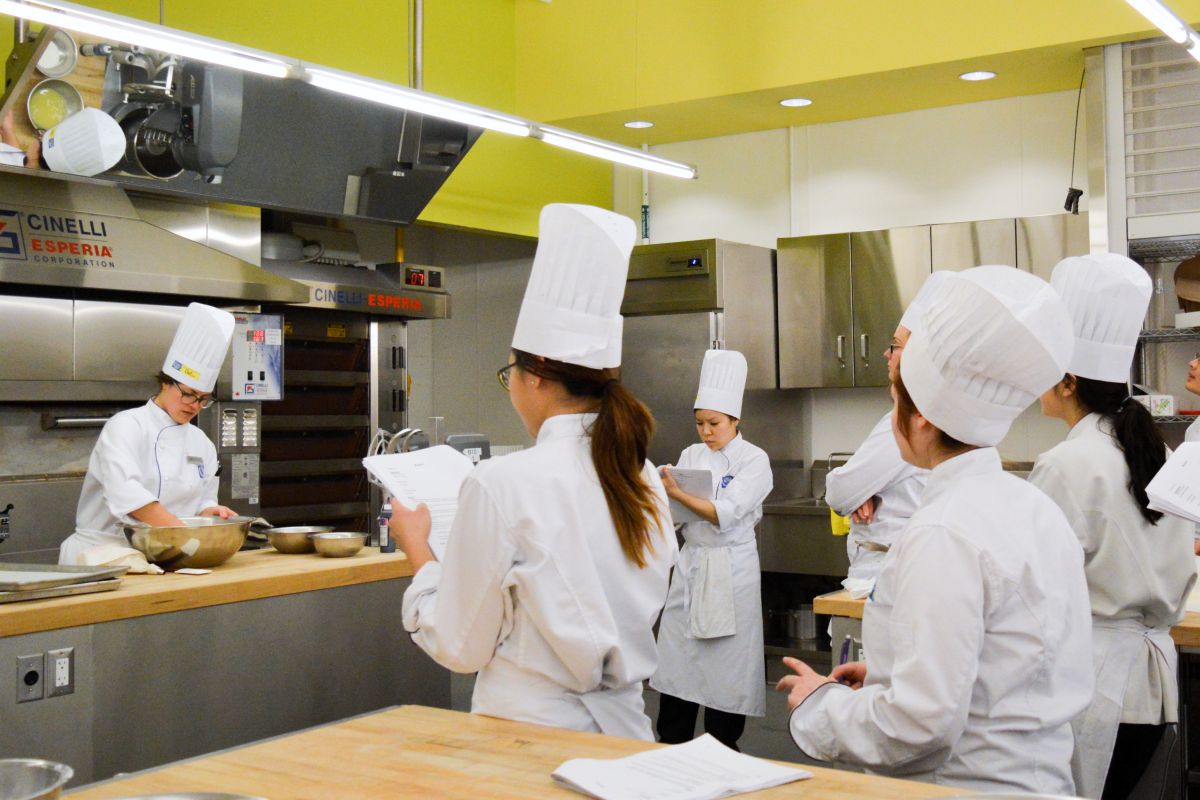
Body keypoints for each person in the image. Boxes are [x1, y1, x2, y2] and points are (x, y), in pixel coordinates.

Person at [778, 265, 1093, 794]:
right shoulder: (1029, 504)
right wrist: (886, 678)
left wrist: (821, 706)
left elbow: (918, 728)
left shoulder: (944, 530)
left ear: (921, 417)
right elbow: (1004, 663)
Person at [391, 204, 677, 740]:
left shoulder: (503, 484)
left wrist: (418, 552)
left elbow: (460, 644)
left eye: (511, 373)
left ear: (537, 377)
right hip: (627, 736)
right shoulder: (642, 481)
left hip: (528, 741)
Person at [1029, 253, 1197, 799]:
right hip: (1150, 688)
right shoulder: (1153, 451)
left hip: (1093, 684)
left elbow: (1033, 587)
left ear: (1068, 381)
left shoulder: (1067, 464)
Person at [651, 349, 773, 751]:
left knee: (725, 666)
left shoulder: (754, 460)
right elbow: (678, 516)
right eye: (700, 423)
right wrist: (662, 497)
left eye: (714, 423)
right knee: (679, 660)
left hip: (730, 569)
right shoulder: (690, 456)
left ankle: (723, 747)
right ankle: (673, 746)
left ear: (735, 420)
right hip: (693, 566)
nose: (706, 431)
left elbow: (726, 513)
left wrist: (676, 494)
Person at [59, 303, 238, 565]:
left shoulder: (202, 443)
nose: (194, 405)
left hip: (167, 554)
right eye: (188, 394)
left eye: (203, 399)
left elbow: (203, 499)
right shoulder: (126, 426)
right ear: (165, 382)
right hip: (103, 556)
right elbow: (127, 495)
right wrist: (185, 536)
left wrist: (210, 512)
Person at [824, 274, 950, 589]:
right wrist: (862, 492)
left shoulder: (910, 419)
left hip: (885, 574)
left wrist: (856, 492)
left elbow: (839, 492)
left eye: (895, 346)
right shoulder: (942, 414)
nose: (886, 354)